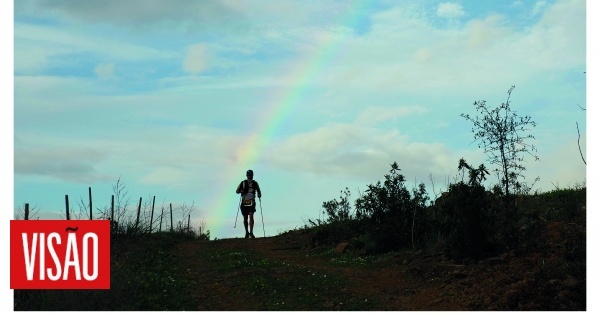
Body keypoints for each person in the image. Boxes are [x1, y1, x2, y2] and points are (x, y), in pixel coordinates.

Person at [235, 169, 262, 238]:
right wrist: (242, 191)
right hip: (244, 201)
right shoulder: (243, 183)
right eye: (249, 175)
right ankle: (247, 231)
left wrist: (259, 194)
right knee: (245, 217)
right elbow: (237, 191)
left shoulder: (255, 183)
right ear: (247, 176)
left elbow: (259, 191)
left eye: (251, 175)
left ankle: (251, 232)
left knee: (251, 216)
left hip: (251, 201)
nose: (250, 176)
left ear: (252, 175)